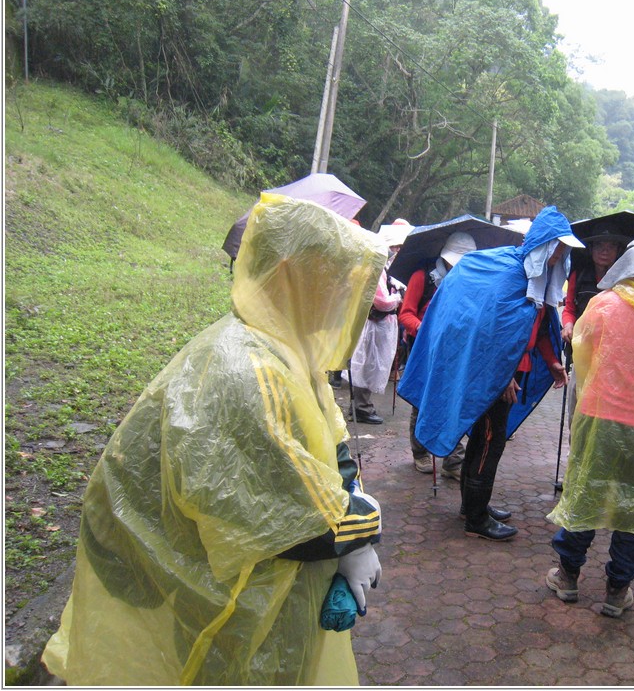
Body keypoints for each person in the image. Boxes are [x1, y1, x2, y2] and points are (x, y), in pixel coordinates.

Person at [41, 194, 385, 686]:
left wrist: (351, 504)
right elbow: (286, 517)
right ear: (296, 277)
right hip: (203, 580)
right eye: (334, 279)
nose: (344, 294)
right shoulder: (247, 370)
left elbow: (330, 440)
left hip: (240, 576)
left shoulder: (288, 348)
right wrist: (359, 531)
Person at [398, 206, 583, 541]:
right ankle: (476, 518)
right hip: (494, 376)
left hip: (511, 372)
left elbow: (538, 327)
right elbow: (483, 331)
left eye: (564, 248)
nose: (561, 253)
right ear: (542, 244)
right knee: (488, 441)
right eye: (557, 246)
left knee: (488, 440)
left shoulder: (538, 280)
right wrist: (500, 377)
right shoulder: (508, 273)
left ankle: (473, 505)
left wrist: (552, 361)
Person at [544, 237, 634, 617]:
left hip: (600, 418)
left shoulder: (602, 305)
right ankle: (617, 589)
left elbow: (586, 352)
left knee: (585, 493)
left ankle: (567, 577)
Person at [397, 231, 476, 478]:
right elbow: (406, 313)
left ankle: (453, 462)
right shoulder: (423, 277)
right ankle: (420, 452)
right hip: (424, 349)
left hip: (454, 350)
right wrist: (425, 328)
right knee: (422, 400)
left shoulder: (471, 279)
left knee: (454, 400)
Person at [561, 222, 631, 425]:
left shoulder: (626, 280)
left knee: (605, 413)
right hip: (582, 353)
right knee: (577, 408)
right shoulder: (580, 275)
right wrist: (568, 325)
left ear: (619, 251)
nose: (604, 251)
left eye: (610, 246)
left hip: (614, 358)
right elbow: (569, 308)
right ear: (591, 249)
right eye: (600, 245)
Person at [348, 224, 407, 424]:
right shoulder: (375, 266)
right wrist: (397, 296)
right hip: (374, 323)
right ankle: (362, 407)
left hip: (375, 323)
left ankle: (357, 405)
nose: (397, 250)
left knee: (367, 363)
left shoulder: (379, 265)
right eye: (395, 246)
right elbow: (381, 301)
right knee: (368, 364)